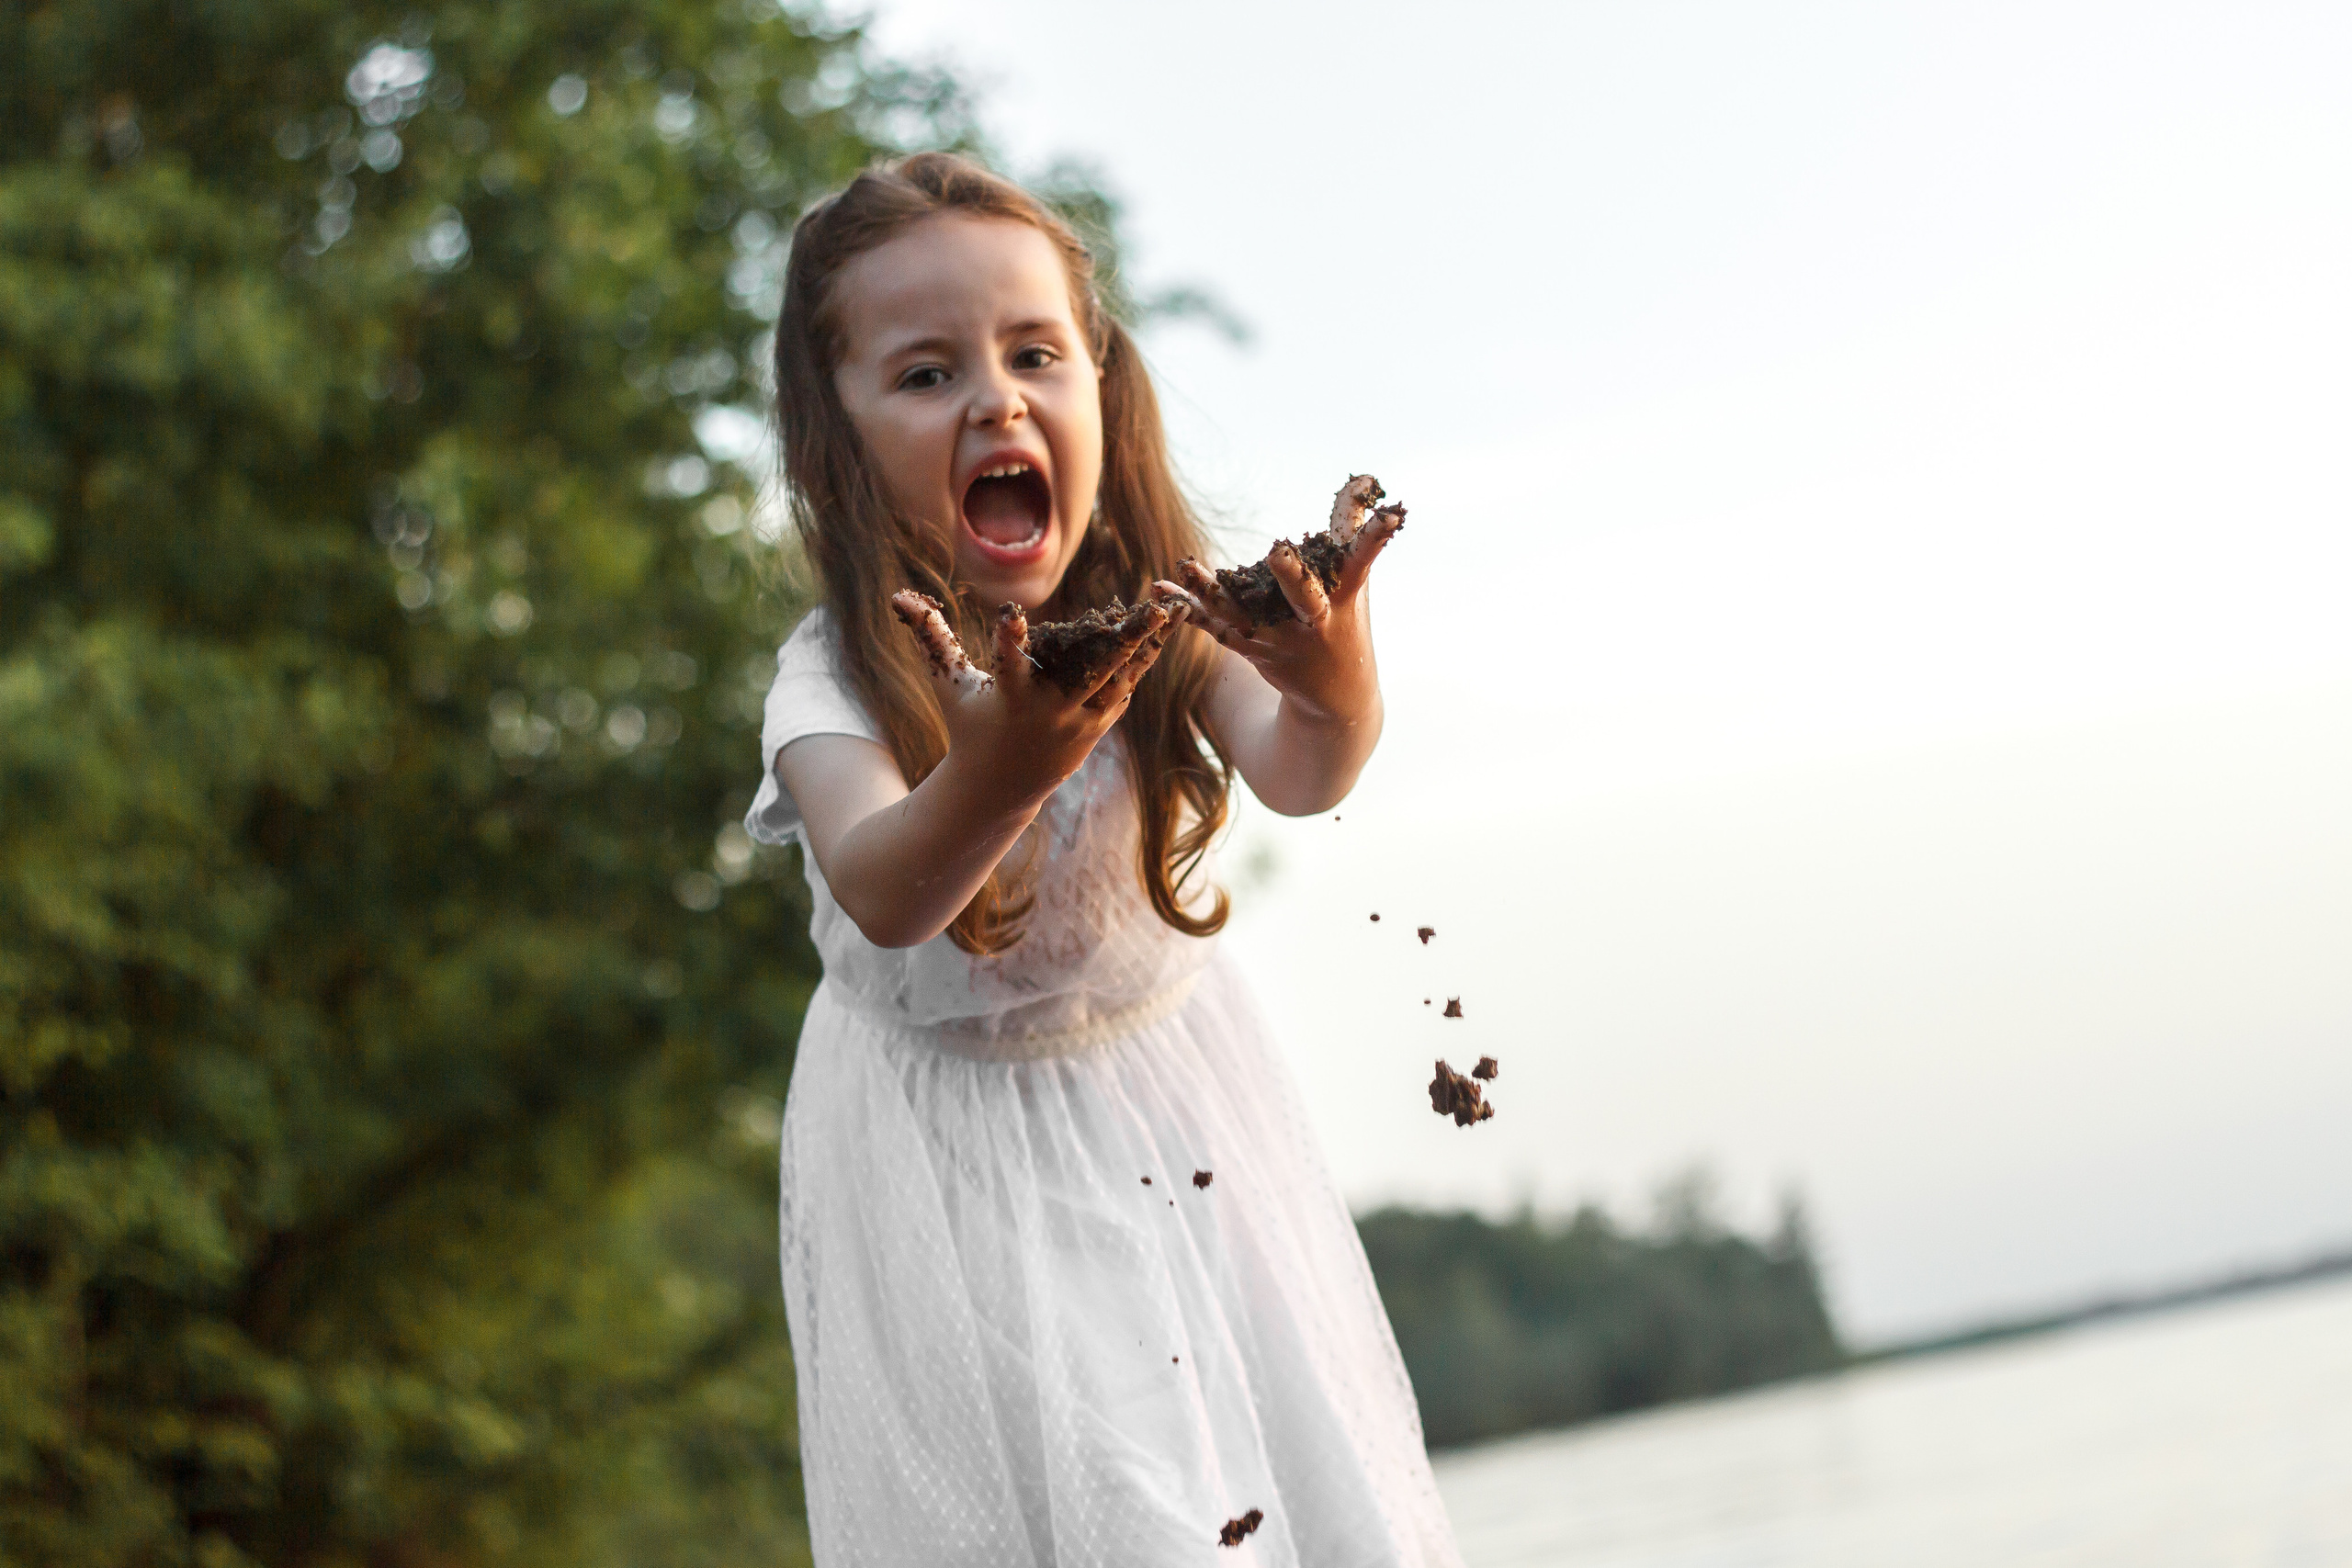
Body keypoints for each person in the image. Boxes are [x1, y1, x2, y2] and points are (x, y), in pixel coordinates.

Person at [746, 152, 1461, 1566]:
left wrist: (1339, 678)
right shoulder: (830, 678)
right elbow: (887, 889)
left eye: (1033, 355)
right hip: (950, 1179)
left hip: (1183, 1127)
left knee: (1291, 1495)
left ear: (1100, 391)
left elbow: (1305, 769)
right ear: (839, 444)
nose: (997, 399)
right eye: (927, 375)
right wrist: (1000, 770)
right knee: (1132, 1524)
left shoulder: (1156, 625)